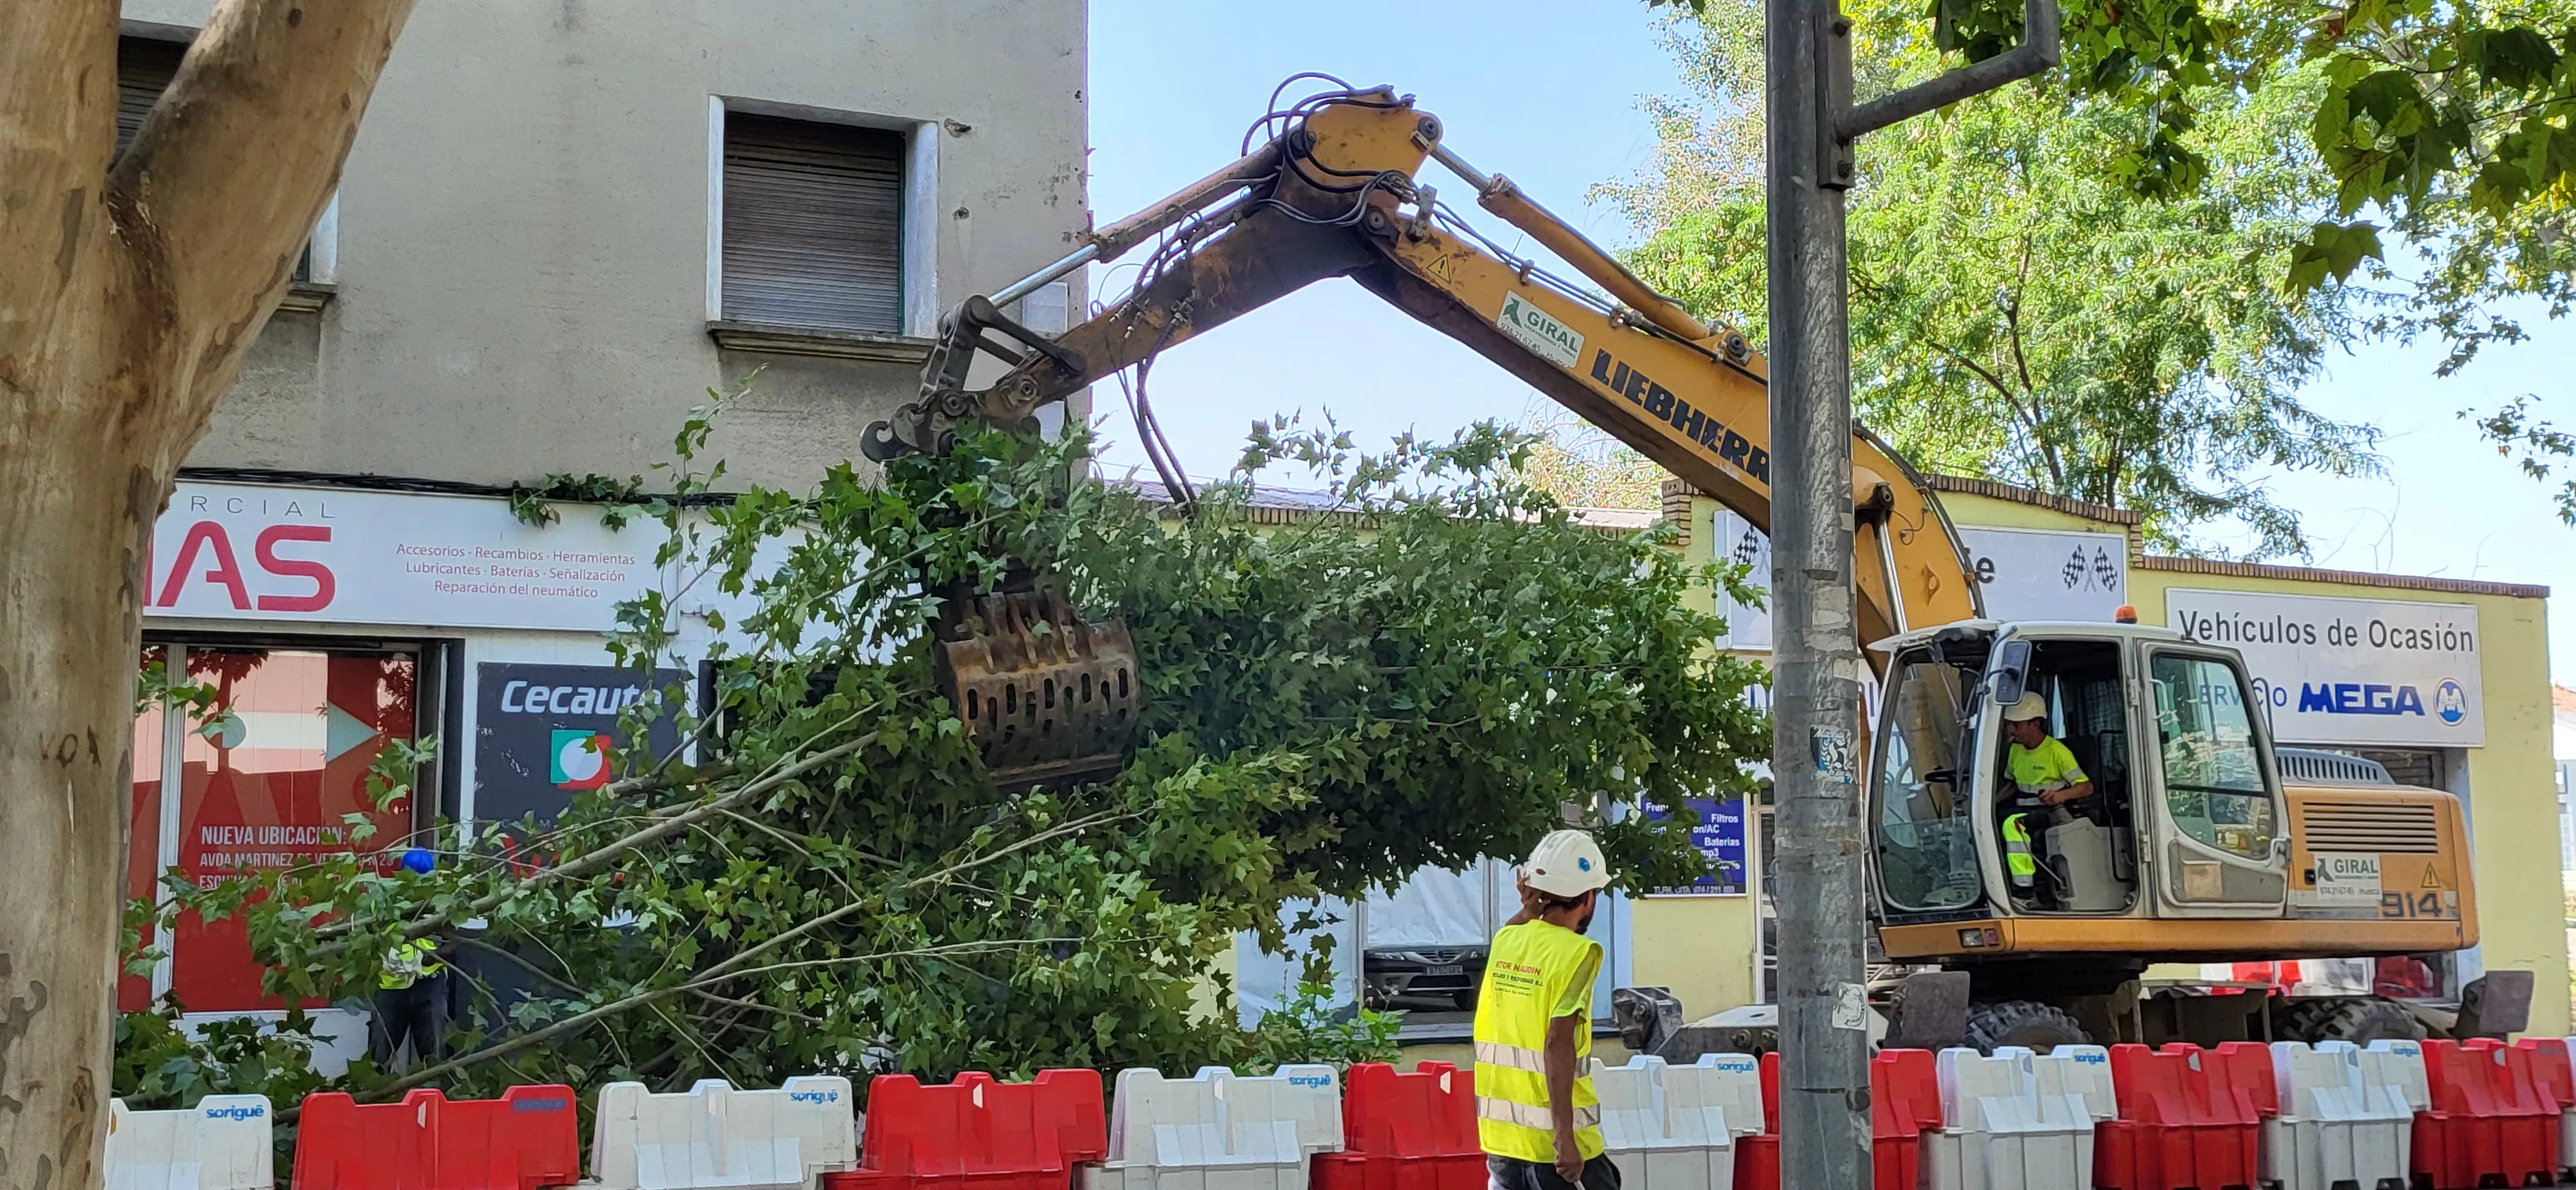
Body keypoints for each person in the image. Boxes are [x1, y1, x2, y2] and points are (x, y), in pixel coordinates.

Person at [1473, 829, 1619, 1190]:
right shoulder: (1578, 953)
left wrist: (1527, 910)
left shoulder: (1507, 940)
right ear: (1588, 898)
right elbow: (1557, 1043)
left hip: (1503, 1143)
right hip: (1557, 1149)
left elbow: (1514, 931)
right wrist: (1564, 1138)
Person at [1999, 694, 2094, 899]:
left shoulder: (2057, 752)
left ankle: (2024, 888)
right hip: (2022, 807)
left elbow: (2086, 787)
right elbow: (2011, 785)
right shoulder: (2015, 750)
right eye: (2009, 725)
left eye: (2016, 725)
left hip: (2048, 811)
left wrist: (2060, 796)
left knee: (2012, 825)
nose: (2011, 730)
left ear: (2035, 724)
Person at [369, 847, 446, 1072]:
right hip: (389, 985)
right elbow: (369, 939)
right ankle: (376, 1098)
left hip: (429, 982)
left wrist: (431, 959)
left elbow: (455, 940)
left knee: (434, 1055)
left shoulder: (442, 899)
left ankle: (434, 1099)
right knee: (379, 1054)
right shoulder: (384, 900)